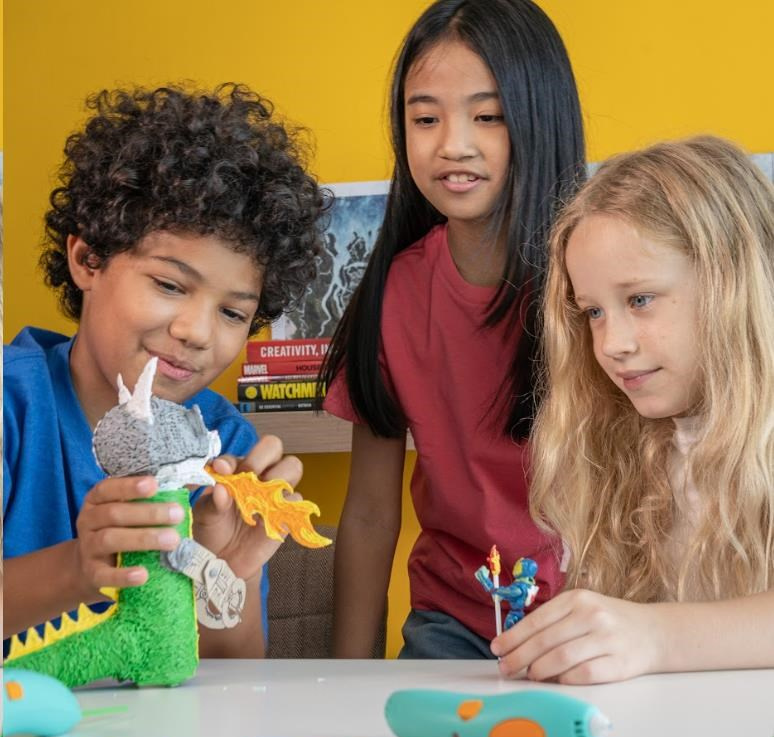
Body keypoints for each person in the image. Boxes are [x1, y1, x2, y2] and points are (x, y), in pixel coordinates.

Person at [3, 83, 328, 658]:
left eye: (232, 313)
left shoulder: (224, 444)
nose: (197, 331)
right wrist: (80, 566)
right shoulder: (12, 405)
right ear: (88, 259)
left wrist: (229, 570)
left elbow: (232, 677)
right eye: (170, 285)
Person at [320, 0, 585, 658]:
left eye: (487, 116)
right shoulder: (393, 294)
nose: (452, 145)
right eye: (425, 118)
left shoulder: (597, 283)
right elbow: (371, 513)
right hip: (456, 625)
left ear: (540, 118)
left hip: (595, 612)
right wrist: (348, 680)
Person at [493, 135, 774, 683]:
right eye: (593, 312)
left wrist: (654, 635)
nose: (612, 344)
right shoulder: (619, 449)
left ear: (733, 282)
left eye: (640, 300)